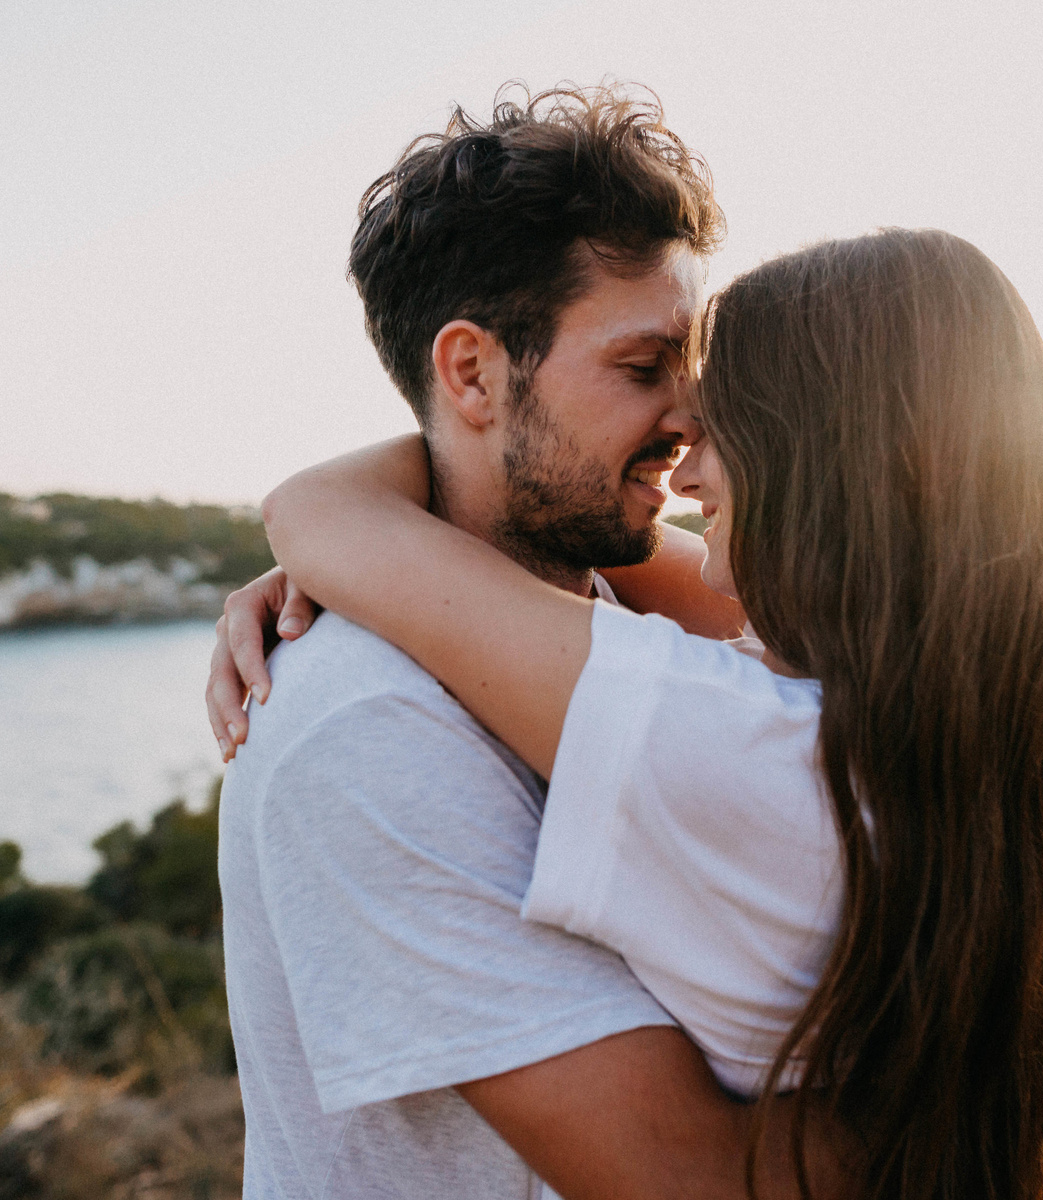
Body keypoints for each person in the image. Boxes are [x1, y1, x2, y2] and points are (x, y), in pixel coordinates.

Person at [213, 227, 1043, 1199]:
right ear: (470, 370)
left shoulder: (739, 736)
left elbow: (316, 512)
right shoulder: (931, 713)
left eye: (723, 416)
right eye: (645, 368)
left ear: (831, 465)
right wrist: (397, 546)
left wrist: (385, 532)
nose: (685, 455)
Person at [210, 84, 841, 1200]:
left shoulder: (643, 625)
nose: (694, 419)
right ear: (472, 374)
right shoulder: (367, 723)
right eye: (644, 370)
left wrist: (342, 517)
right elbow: (691, 1182)